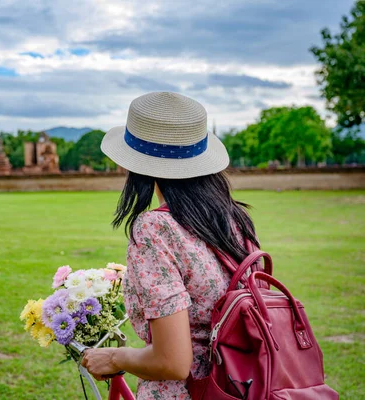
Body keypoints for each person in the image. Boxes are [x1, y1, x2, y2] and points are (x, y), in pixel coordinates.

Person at [81, 92, 260, 399]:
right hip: (242, 383)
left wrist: (112, 357)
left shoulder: (155, 229)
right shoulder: (236, 220)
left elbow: (172, 362)